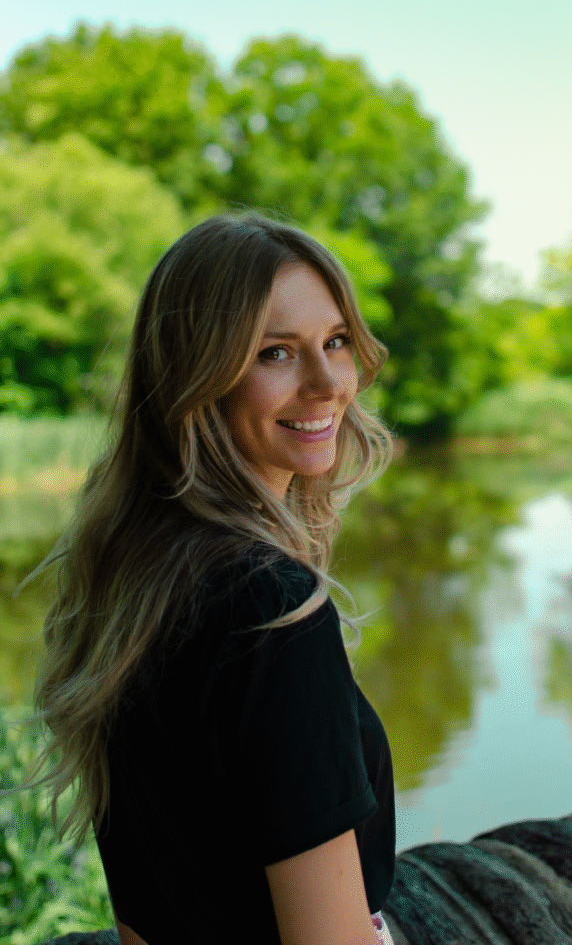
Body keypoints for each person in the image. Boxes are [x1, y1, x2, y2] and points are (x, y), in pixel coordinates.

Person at [6, 214, 398, 945]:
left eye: (336, 342)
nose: (326, 384)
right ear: (196, 375)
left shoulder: (133, 575)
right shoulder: (275, 608)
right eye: (276, 352)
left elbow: (142, 909)